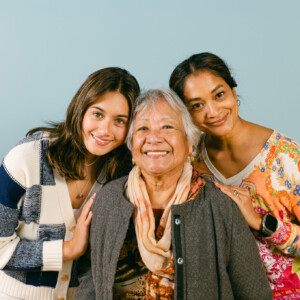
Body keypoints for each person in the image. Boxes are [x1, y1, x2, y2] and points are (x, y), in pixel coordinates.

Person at [75, 88, 272, 300]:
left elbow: (255, 293)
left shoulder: (219, 206)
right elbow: (91, 279)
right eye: (143, 128)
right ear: (132, 146)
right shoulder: (109, 200)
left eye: (167, 127)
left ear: (190, 144)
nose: (154, 138)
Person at [0, 67, 140, 300]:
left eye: (119, 121)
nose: (105, 130)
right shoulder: (27, 158)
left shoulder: (121, 174)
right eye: (97, 114)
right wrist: (69, 249)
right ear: (80, 109)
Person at [169, 52, 300, 299]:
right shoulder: (191, 160)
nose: (213, 112)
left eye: (219, 95)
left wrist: (262, 223)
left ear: (233, 91)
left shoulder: (285, 158)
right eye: (197, 105)